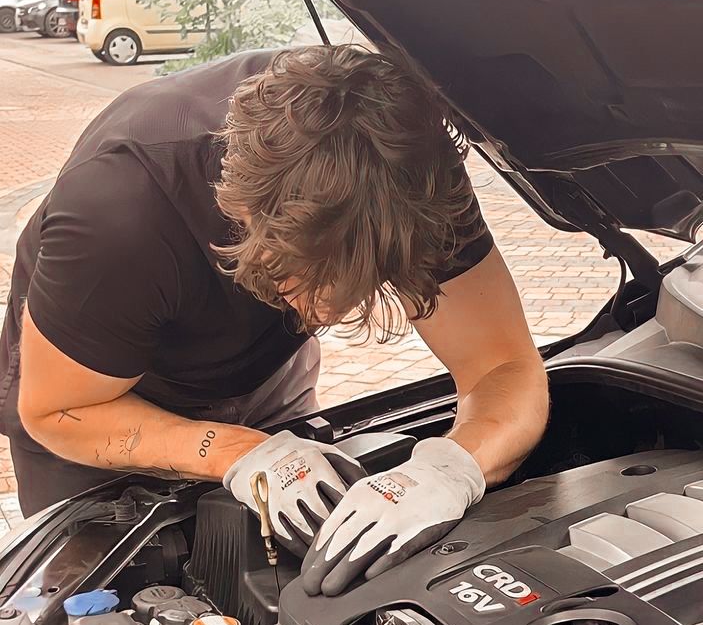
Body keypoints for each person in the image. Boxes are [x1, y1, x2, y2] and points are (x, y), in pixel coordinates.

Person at [0, 45, 548, 596]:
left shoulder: (409, 178)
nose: (328, 313)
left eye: (363, 278)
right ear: (240, 211)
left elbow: (502, 366)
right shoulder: (122, 212)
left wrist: (451, 469)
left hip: (260, 375)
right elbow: (58, 410)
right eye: (302, 276)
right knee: (90, 604)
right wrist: (243, 452)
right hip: (95, 391)